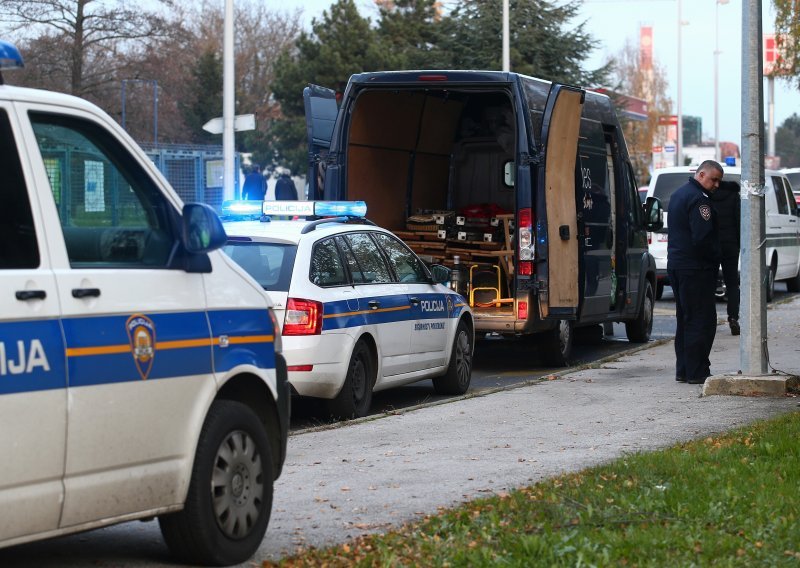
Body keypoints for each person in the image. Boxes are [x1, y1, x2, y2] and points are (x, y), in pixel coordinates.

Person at [667, 160, 723, 385]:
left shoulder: (679, 194)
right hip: (696, 268)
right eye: (714, 179)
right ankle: (698, 371)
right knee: (702, 320)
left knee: (685, 320)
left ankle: (684, 369)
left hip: (678, 265)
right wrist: (716, 257)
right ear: (701, 175)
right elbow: (702, 238)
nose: (717, 185)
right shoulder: (700, 200)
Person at [710, 180, 741, 335]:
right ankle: (733, 318)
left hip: (712, 244)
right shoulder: (734, 196)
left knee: (708, 283)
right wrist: (739, 244)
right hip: (730, 244)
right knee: (732, 283)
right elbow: (738, 221)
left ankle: (710, 319)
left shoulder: (708, 195)